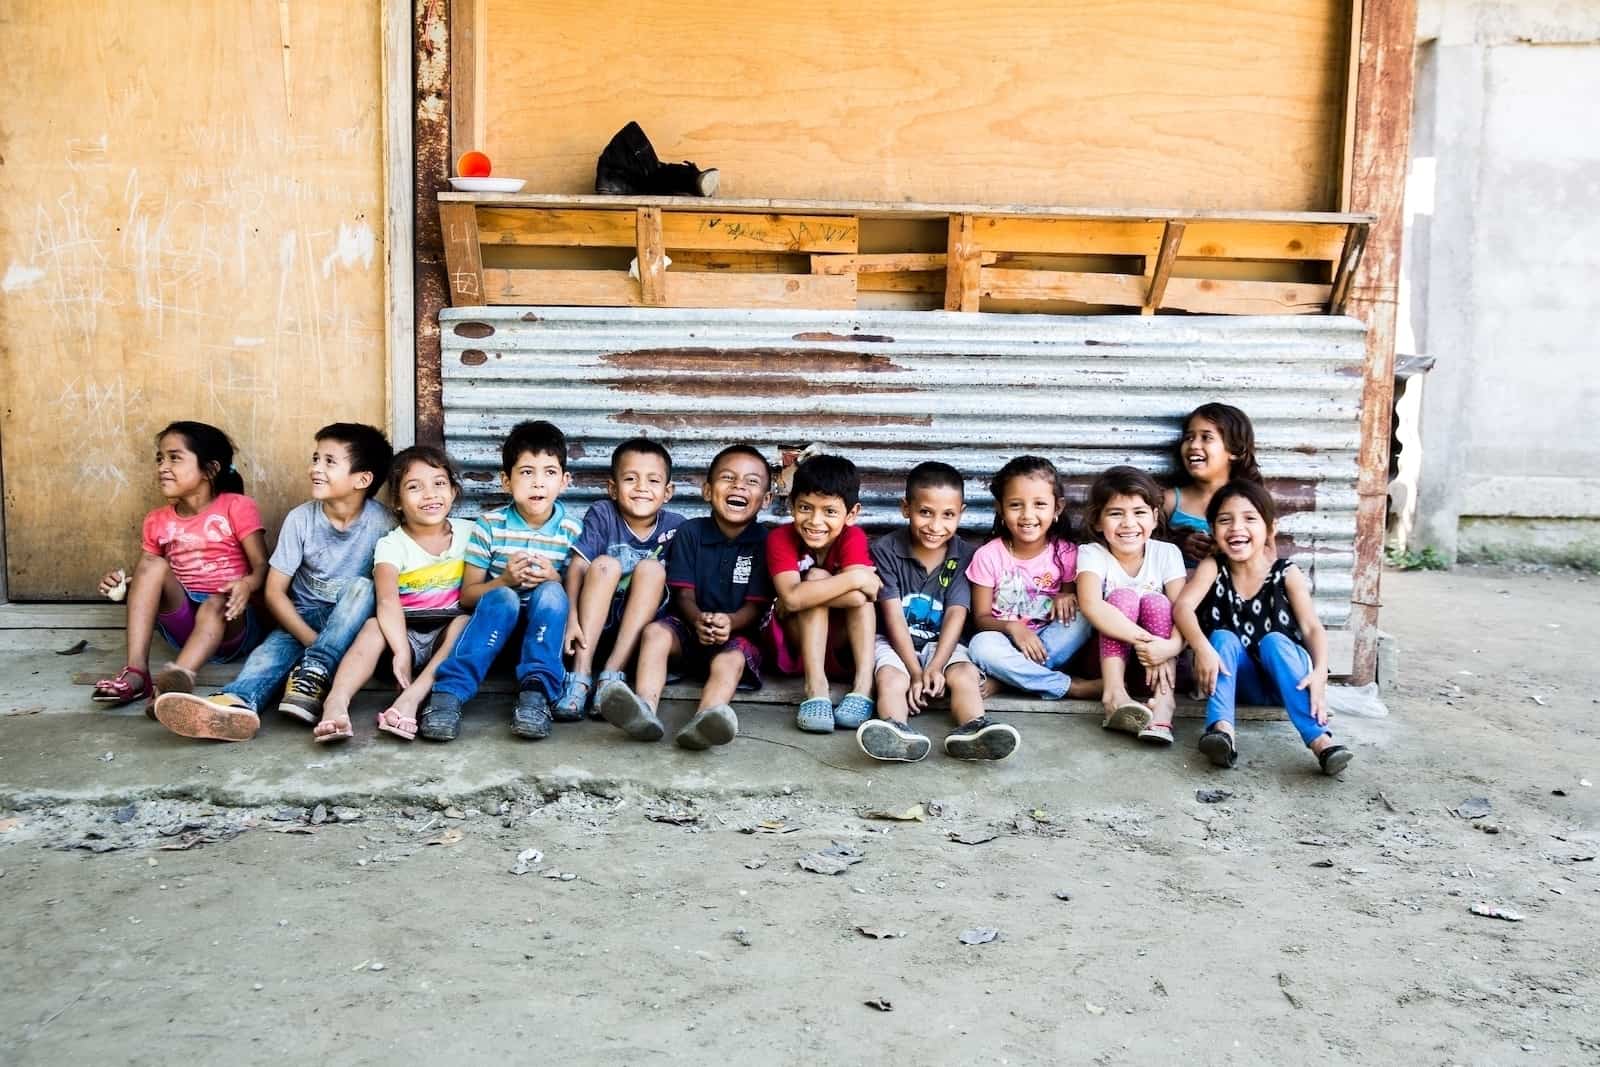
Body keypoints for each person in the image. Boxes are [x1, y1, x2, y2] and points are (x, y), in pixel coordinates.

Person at [151, 423, 394, 741]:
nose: (315, 469)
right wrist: (312, 643)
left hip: (353, 625)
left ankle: (314, 672)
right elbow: (275, 592)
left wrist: (322, 651)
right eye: (315, 458)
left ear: (363, 479)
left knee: (363, 587)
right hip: (302, 617)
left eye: (329, 462)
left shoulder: (385, 524)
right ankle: (234, 703)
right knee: (267, 656)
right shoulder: (300, 519)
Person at [598, 444, 773, 749]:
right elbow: (683, 595)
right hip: (689, 630)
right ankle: (644, 709)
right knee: (655, 633)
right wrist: (698, 619)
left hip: (737, 635)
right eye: (728, 478)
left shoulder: (765, 541)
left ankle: (706, 718)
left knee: (730, 661)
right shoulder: (691, 532)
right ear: (707, 491)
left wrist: (728, 623)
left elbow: (755, 608)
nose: (738, 486)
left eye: (751, 482)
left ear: (767, 499)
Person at [417, 420, 582, 742]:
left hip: (542, 640)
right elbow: (467, 596)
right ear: (507, 481)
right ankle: (448, 695)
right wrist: (504, 580)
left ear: (564, 481)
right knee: (503, 598)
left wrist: (555, 578)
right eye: (526, 472)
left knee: (551, 592)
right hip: (490, 635)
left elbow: (576, 592)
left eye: (549, 473)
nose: (538, 483)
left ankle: (535, 695)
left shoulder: (572, 531)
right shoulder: (489, 526)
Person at [1173, 479, 1352, 776]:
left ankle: (1321, 741)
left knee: (1274, 642)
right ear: (1212, 529)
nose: (1236, 528)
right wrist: (1202, 648)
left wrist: (1320, 672)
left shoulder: (1286, 573)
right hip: (1238, 683)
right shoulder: (1213, 567)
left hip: (1287, 682)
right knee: (1222, 637)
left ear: (1270, 528)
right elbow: (1182, 607)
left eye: (1249, 519)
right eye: (1224, 520)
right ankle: (1221, 732)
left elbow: (1312, 628)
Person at [93, 421, 268, 709]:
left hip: (231, 623)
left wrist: (246, 584)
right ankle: (136, 673)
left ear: (209, 470)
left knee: (215, 601)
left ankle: (175, 684)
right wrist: (122, 585)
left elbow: (262, 566)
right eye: (160, 458)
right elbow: (148, 580)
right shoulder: (156, 519)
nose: (163, 466)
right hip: (183, 622)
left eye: (175, 458)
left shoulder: (237, 506)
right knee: (150, 565)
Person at [857, 462, 1015, 763]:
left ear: (961, 513)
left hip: (943, 643)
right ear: (906, 508)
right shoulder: (886, 550)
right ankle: (895, 731)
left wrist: (936, 666)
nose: (935, 525)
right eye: (925, 512)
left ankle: (974, 730)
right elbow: (892, 616)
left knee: (966, 674)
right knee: (892, 680)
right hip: (893, 641)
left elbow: (957, 613)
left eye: (948, 515)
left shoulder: (965, 555)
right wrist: (916, 672)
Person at [312, 447, 473, 743]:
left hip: (446, 636)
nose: (429, 494)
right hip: (402, 634)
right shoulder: (391, 544)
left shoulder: (471, 533)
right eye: (414, 487)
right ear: (397, 502)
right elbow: (387, 600)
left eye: (439, 483)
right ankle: (336, 702)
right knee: (373, 626)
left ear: (453, 491)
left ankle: (412, 698)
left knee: (464, 623)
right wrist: (400, 651)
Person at [560, 438, 685, 720]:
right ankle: (580, 675)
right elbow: (578, 567)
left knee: (652, 570)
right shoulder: (603, 513)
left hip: (636, 635)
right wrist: (571, 618)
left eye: (652, 480)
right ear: (613, 488)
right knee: (605, 564)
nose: (641, 487)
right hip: (593, 629)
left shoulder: (676, 527)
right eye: (631, 478)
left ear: (668, 492)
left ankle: (611, 677)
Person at [966, 456, 1097, 703]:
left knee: (1084, 616)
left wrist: (1066, 595)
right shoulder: (988, 555)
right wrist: (1013, 628)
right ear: (1000, 508)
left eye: (1039, 504)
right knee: (980, 645)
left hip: (1048, 645)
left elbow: (1068, 604)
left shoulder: (1067, 553)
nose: (1028, 515)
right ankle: (1069, 687)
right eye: (1016, 505)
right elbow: (981, 618)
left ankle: (1007, 679)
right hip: (1003, 642)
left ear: (1057, 508)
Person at [764, 454, 879, 733]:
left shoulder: (853, 538)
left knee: (817, 585)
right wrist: (856, 577)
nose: (815, 521)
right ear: (791, 506)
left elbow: (861, 599)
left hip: (841, 642)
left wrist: (799, 596)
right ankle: (816, 688)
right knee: (815, 580)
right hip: (796, 641)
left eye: (829, 511)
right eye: (805, 507)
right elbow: (792, 598)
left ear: (851, 514)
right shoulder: (780, 538)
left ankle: (864, 687)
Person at [1076, 465, 1188, 745]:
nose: (1128, 523)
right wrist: (1148, 642)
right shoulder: (1091, 554)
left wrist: (1169, 647)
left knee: (1158, 603)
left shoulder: (1167, 553)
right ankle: (1114, 696)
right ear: (1099, 521)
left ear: (1153, 517)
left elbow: (1184, 613)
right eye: (1116, 513)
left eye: (1139, 513)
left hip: (1162, 668)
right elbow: (1091, 605)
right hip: (1106, 665)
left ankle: (1164, 704)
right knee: (1122, 598)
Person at [1163, 402, 1263, 566]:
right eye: (1189, 437)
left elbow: (1267, 554)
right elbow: (1145, 547)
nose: (1193, 445)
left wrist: (1226, 546)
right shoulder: (1171, 501)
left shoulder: (1252, 501)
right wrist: (1179, 543)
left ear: (1235, 451)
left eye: (1207, 437)